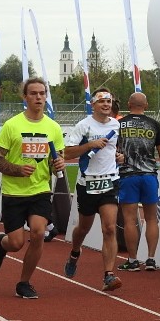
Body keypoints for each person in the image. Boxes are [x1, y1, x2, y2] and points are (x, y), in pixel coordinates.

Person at [0, 78, 65, 299]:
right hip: (14, 192)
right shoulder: (12, 126)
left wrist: (58, 163)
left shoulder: (53, 127)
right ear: (25, 97)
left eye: (42, 93)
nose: (38, 97)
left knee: (39, 232)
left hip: (40, 190)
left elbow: (58, 157)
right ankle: (2, 244)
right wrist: (16, 169)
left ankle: (24, 282)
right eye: (33, 93)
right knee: (16, 243)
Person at [63, 88, 123, 292]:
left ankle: (108, 274)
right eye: (102, 101)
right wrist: (90, 144)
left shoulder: (116, 124)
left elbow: (117, 149)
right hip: (87, 183)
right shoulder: (84, 125)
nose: (106, 104)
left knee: (109, 228)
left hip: (110, 181)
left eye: (109, 100)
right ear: (93, 104)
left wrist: (120, 157)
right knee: (83, 228)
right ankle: (75, 251)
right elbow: (67, 152)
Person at [115, 92, 160, 272]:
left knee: (130, 220)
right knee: (152, 218)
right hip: (149, 175)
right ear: (146, 105)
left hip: (128, 175)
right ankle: (151, 259)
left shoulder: (119, 125)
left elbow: (111, 151)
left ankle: (133, 259)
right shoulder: (154, 124)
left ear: (129, 104)